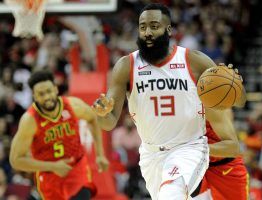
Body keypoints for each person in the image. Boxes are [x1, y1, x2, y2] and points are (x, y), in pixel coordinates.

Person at [93, 3, 246, 200]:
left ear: (168, 30)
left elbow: (238, 101)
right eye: (142, 27)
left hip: (189, 148)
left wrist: (236, 86)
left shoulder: (194, 61)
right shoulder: (126, 66)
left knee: (171, 194)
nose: (147, 32)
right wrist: (103, 114)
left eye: (154, 26)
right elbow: (108, 123)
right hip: (151, 154)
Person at [9, 70, 109, 200]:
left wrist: (100, 154)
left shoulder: (73, 105)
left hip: (77, 169)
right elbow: (15, 160)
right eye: (41, 94)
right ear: (34, 96)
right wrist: (53, 166)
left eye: (49, 91)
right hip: (50, 177)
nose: (46, 97)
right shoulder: (30, 121)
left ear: (56, 89)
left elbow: (92, 118)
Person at [192, 109, 249, 200]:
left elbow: (232, 149)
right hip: (195, 164)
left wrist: (197, 148)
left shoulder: (216, 103)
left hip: (226, 167)